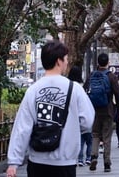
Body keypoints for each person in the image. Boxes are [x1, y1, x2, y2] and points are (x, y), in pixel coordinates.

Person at [7, 40, 95, 177]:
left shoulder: (33, 90)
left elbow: (22, 127)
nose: (67, 63)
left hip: (37, 162)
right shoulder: (75, 89)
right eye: (65, 59)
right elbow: (87, 121)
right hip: (65, 162)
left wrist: (14, 162)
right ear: (58, 61)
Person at [89, 53, 119, 172]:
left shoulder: (92, 75)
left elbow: (85, 91)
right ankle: (107, 163)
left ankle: (93, 155)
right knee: (107, 136)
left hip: (94, 110)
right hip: (108, 109)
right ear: (108, 62)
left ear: (98, 62)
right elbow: (118, 95)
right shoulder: (111, 76)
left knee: (95, 134)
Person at [68, 66, 92, 166]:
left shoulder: (67, 86)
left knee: (80, 142)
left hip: (72, 119)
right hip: (83, 118)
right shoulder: (82, 87)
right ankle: (88, 158)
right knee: (89, 141)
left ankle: (79, 159)